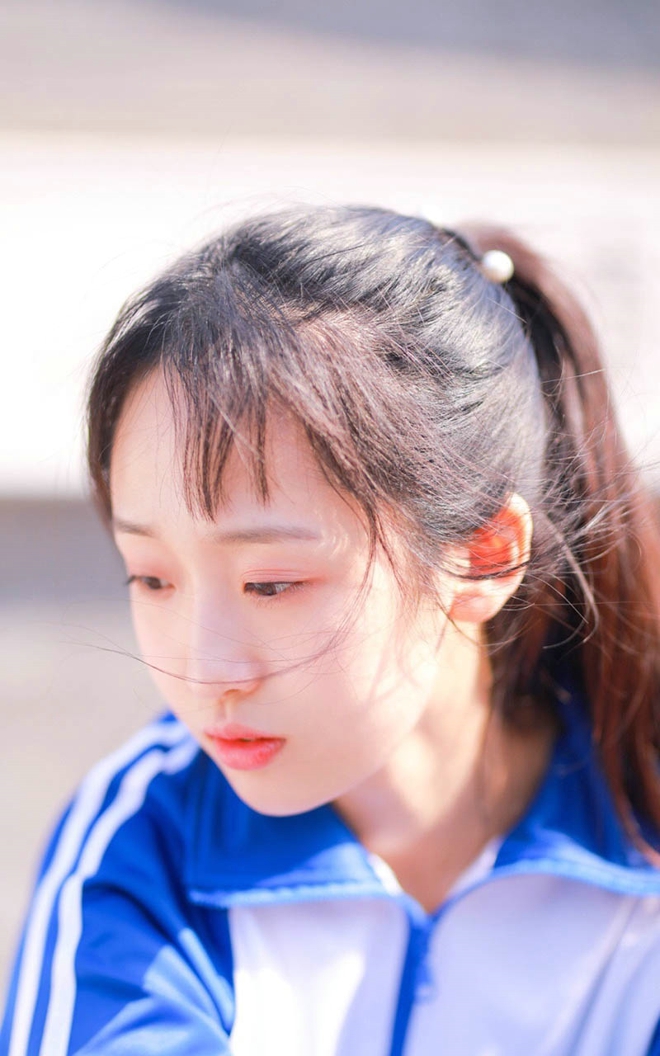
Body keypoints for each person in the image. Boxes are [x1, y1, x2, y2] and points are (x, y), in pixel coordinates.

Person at [2, 205, 660, 1056]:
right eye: (152, 577)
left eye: (271, 583)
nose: (206, 670)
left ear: (484, 555)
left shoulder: (640, 833)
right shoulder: (142, 845)